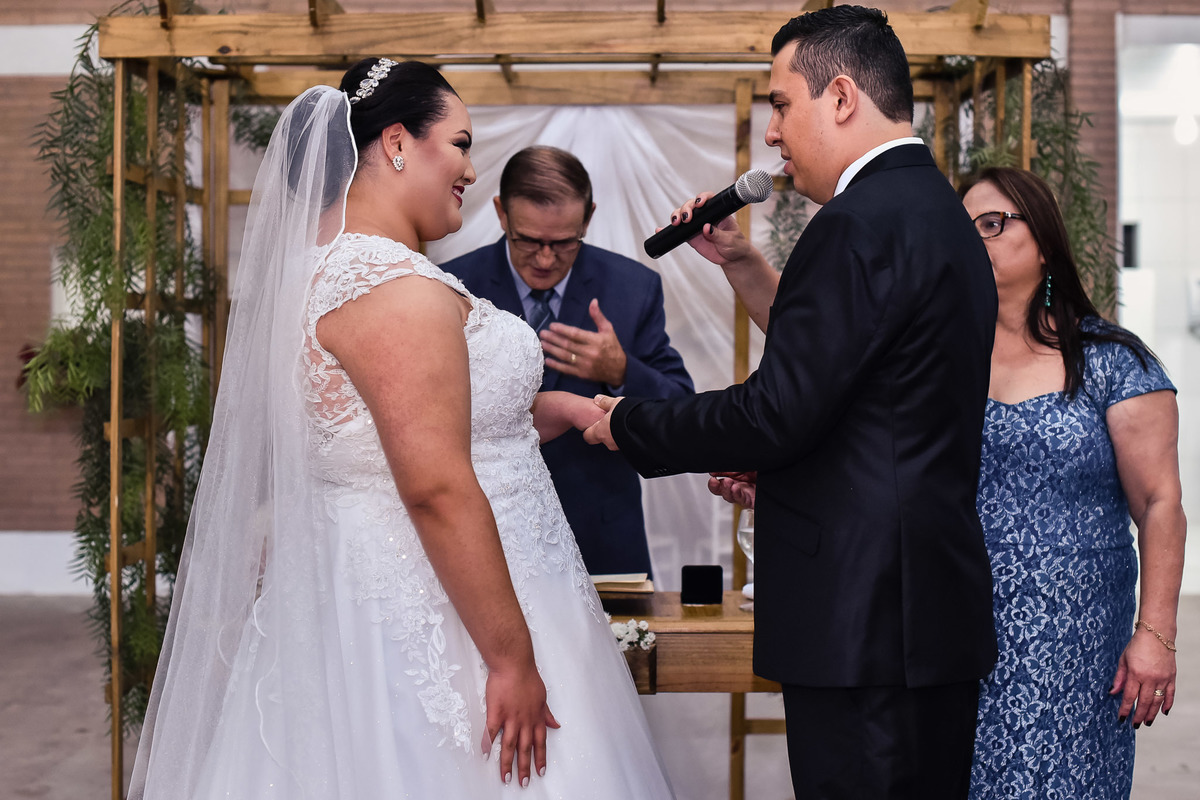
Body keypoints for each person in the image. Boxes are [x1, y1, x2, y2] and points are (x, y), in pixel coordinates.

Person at [128, 58, 674, 799]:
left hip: (390, 590)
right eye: (460, 143)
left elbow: (418, 426)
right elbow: (436, 486)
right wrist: (511, 660)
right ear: (395, 144)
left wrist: (567, 408)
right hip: (432, 617)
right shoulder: (391, 289)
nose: (471, 169)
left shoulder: (339, 270)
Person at [586, 7, 998, 797]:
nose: (771, 133)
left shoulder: (853, 225)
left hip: (863, 622)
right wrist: (742, 264)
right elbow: (875, 399)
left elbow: (776, 413)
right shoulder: (937, 212)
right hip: (921, 613)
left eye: (780, 104)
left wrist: (630, 421)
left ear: (840, 96)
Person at [960, 167, 1186, 798]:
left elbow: (1161, 503)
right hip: (958, 630)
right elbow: (821, 346)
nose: (974, 240)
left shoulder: (1113, 360)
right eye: (962, 228)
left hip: (1076, 639)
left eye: (993, 224)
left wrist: (1156, 633)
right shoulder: (943, 356)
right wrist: (740, 261)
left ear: (1045, 242)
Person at [443, 146, 693, 577]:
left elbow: (682, 410)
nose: (545, 258)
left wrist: (621, 371)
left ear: (588, 219)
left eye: (562, 243)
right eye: (527, 240)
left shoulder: (633, 287)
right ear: (501, 214)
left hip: (602, 533)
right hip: (486, 533)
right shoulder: (452, 286)